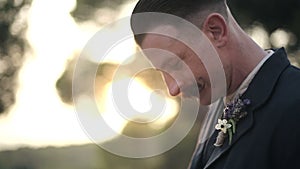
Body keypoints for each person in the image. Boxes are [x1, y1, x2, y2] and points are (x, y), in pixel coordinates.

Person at [130, 0, 300, 169]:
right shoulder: (216, 114)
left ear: (216, 31)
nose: (172, 89)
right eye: (162, 73)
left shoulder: (294, 105)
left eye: (175, 64)